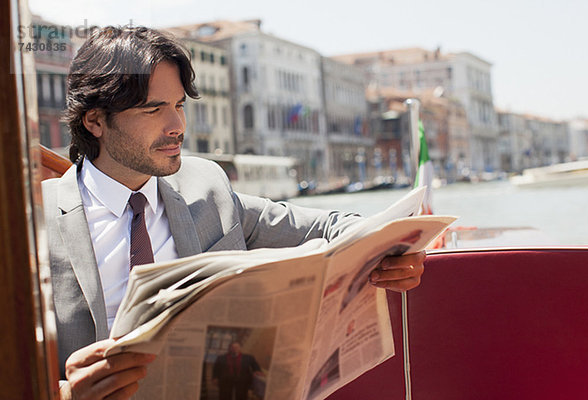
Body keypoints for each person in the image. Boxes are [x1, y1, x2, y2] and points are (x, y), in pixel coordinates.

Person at [42, 26, 426, 400]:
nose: (178, 126)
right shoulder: (34, 224)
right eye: (153, 109)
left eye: (178, 105)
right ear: (95, 121)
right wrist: (65, 394)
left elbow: (329, 227)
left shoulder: (206, 185)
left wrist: (394, 248)